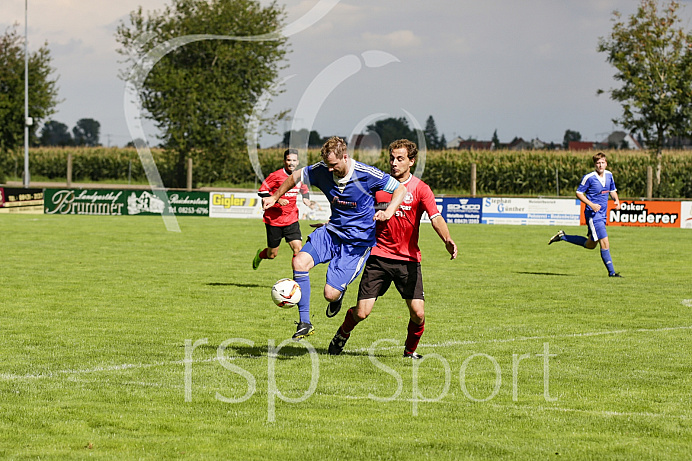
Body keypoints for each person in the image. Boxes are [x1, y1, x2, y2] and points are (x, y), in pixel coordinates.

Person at [262, 136, 407, 340]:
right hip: (331, 232)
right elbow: (295, 176)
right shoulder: (321, 169)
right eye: (327, 165)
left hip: (357, 243)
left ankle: (338, 294)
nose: (329, 170)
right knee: (299, 261)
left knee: (330, 294)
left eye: (334, 165)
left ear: (345, 157)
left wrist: (390, 211)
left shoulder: (366, 174)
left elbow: (400, 189)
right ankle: (305, 323)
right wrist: (275, 197)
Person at [327, 139, 458, 359]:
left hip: (408, 260)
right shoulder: (377, 184)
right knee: (362, 312)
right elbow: (353, 209)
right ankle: (342, 334)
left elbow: (435, 217)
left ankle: (410, 352)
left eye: (400, 159)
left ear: (411, 161)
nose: (394, 163)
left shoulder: (421, 189)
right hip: (379, 257)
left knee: (418, 313)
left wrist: (447, 239)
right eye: (392, 158)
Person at [548, 152, 622, 277]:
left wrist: (617, 200)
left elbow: (612, 190)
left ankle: (562, 237)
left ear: (606, 163)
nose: (600, 165)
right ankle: (612, 273)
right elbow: (579, 193)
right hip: (593, 215)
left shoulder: (609, 175)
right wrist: (591, 204)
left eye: (602, 162)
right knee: (605, 241)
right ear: (594, 164)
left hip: (603, 215)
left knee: (591, 245)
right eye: (598, 163)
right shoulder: (589, 177)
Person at [253, 149, 311, 270]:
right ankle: (260, 255)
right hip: (274, 220)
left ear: (298, 162)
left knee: (298, 249)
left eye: (294, 160)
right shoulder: (275, 176)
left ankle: (297, 281)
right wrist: (277, 199)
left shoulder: (299, 175)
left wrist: (306, 198)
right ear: (284, 161)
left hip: (291, 218)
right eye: (289, 160)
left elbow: (304, 188)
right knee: (272, 254)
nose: (291, 163)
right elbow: (262, 191)